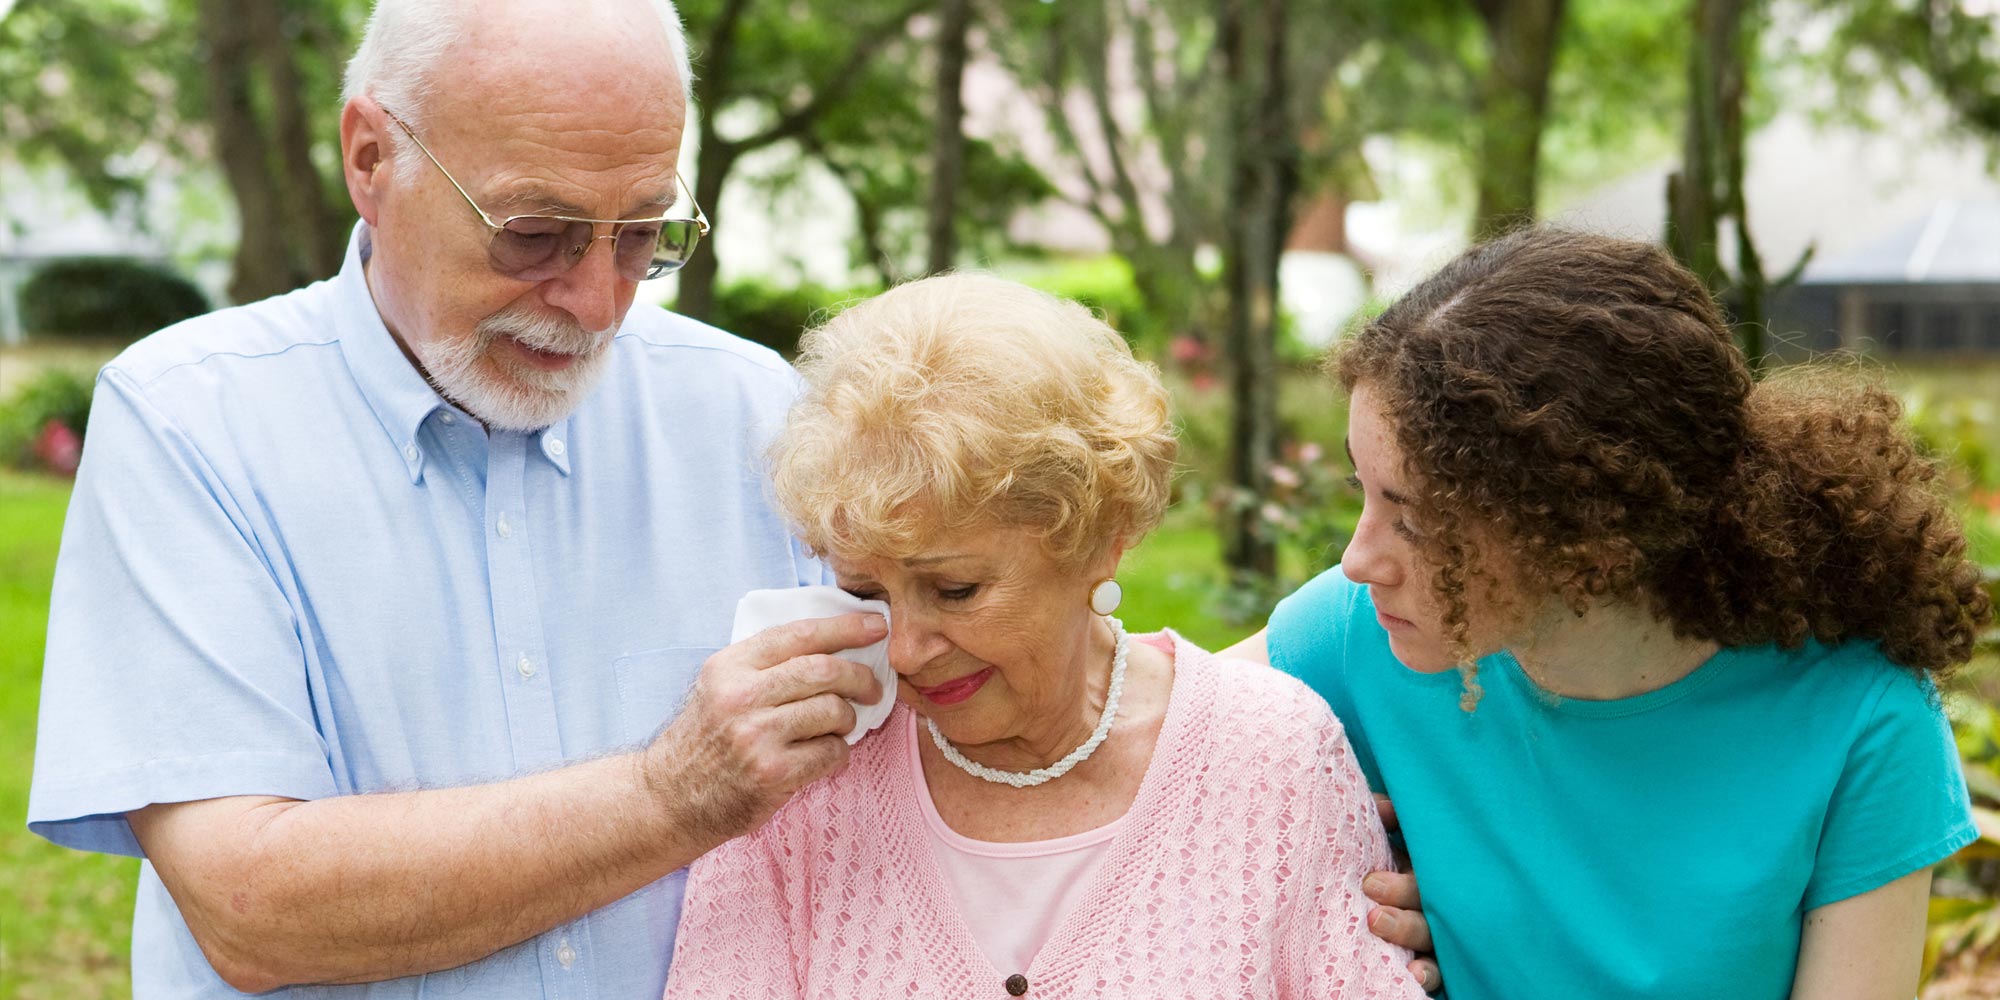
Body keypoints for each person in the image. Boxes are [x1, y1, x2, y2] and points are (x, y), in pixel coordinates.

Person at [26, 2, 892, 996]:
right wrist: (675, 790)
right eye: (535, 234)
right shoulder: (190, 420)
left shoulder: (754, 413)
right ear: (370, 158)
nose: (599, 303)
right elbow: (251, 907)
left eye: (642, 233)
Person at [1225, 227, 1992, 999]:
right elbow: (1129, 734)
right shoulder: (1360, 632)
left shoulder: (1859, 717)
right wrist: (1328, 883)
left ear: (1591, 544)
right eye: (1364, 490)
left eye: (1416, 520)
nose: (1360, 560)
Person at [661, 273, 1430, 999]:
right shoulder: (797, 778)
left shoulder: (1274, 756)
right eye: (866, 593)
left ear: (1100, 539)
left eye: (954, 590)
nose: (902, 651)